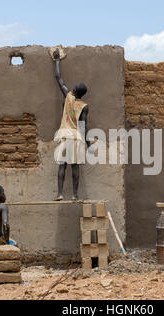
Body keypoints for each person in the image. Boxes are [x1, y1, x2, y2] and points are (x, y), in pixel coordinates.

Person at [52, 48, 91, 201]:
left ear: (74, 90)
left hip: (64, 134)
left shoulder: (68, 96)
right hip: (76, 137)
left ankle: (60, 193)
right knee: (75, 167)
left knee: (62, 165)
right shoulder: (84, 106)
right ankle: (75, 195)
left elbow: (58, 78)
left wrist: (56, 60)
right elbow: (83, 126)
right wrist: (88, 143)